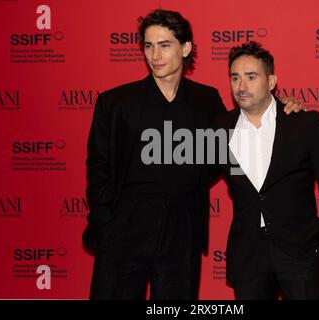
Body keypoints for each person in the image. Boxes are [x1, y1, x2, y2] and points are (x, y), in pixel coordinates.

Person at [82, 9, 303, 300]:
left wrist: (283, 106)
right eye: (148, 46)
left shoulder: (206, 100)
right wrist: (107, 223)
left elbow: (238, 135)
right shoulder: (116, 103)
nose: (155, 55)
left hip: (182, 227)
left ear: (185, 48)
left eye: (164, 45)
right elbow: (98, 166)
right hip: (125, 224)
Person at [211, 41, 319, 300]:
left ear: (272, 81)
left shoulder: (303, 123)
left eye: (251, 77)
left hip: (301, 254)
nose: (241, 86)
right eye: (235, 77)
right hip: (249, 257)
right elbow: (194, 177)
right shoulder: (220, 128)